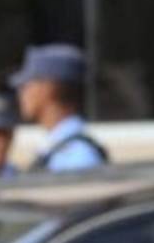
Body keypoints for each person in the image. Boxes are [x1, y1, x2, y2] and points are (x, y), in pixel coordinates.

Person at [11, 44, 108, 173]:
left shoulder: (77, 156)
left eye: (27, 85)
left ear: (47, 89)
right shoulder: (59, 147)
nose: (21, 93)